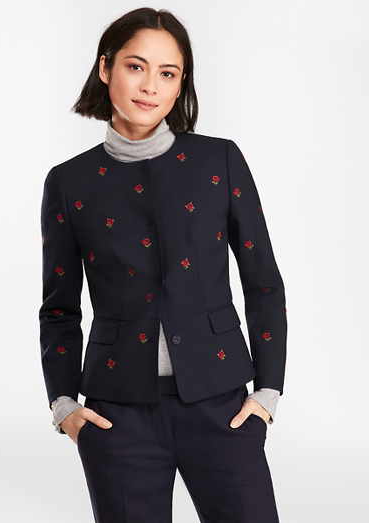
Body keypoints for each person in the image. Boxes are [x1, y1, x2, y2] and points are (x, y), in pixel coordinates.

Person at [39, 7, 287, 523]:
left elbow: (263, 282)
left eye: (168, 73)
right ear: (105, 67)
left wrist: (267, 394)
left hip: (222, 405)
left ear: (180, 86)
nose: (150, 86)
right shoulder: (68, 182)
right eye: (136, 66)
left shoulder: (220, 161)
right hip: (116, 416)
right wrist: (64, 407)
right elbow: (59, 308)